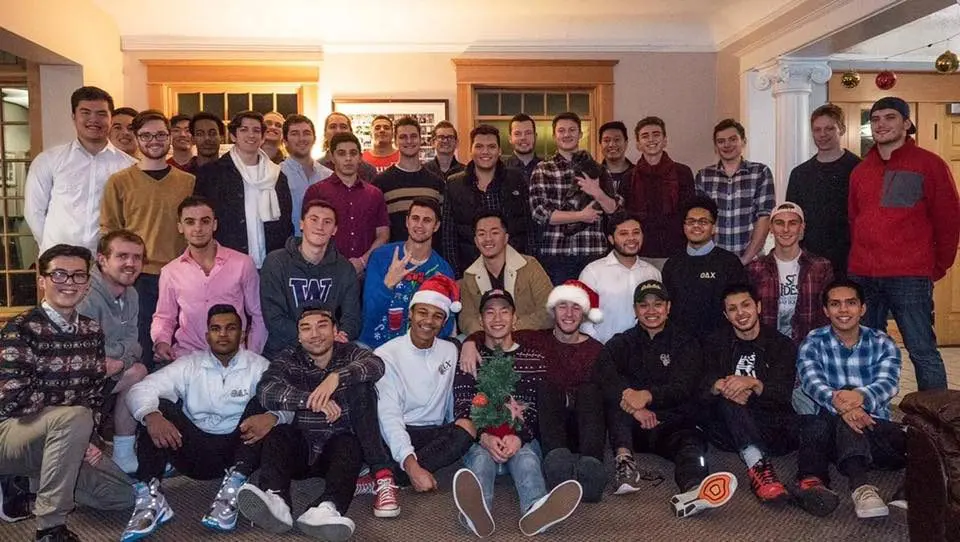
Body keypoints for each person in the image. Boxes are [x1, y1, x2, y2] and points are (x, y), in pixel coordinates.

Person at [0, 244, 135, 542]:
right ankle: (50, 526)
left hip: (64, 435)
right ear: (42, 281)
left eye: (78, 276)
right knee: (73, 417)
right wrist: (76, 420)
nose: (69, 283)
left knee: (123, 495)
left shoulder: (91, 331)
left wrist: (87, 436)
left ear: (87, 284)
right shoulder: (19, 329)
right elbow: (14, 398)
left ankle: (25, 483)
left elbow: (95, 395)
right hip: (11, 434)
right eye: (59, 274)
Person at [120, 305, 285, 539]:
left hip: (238, 452)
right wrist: (151, 415)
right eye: (216, 329)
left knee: (263, 403)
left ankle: (232, 492)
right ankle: (152, 496)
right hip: (193, 451)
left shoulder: (259, 365)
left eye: (231, 328)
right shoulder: (189, 364)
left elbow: (286, 401)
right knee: (155, 408)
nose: (223, 334)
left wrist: (272, 417)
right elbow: (140, 388)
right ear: (207, 335)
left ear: (242, 334)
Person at [237, 305, 396, 538]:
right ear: (299, 336)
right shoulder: (289, 358)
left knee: (350, 443)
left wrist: (336, 378)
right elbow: (266, 391)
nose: (315, 334)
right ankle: (276, 500)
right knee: (278, 434)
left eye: (322, 326)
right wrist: (311, 400)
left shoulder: (350, 352)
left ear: (335, 330)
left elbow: (376, 365)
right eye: (306, 328)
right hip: (301, 446)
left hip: (336, 451)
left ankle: (326, 508)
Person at [594, 279, 738, 518]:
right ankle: (624, 463)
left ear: (668, 307)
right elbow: (602, 371)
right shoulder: (623, 341)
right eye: (644, 305)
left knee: (692, 444)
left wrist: (647, 396)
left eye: (658, 304)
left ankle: (695, 490)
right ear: (635, 309)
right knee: (616, 399)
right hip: (633, 427)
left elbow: (683, 386)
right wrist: (632, 403)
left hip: (672, 425)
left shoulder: (686, 342)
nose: (651, 311)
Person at [848, 96, 960, 391]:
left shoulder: (929, 165)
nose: (881, 124)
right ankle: (872, 414)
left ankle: (936, 424)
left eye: (890, 117)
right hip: (864, 276)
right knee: (867, 351)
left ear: (907, 123)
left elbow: (949, 222)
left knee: (922, 350)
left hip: (909, 275)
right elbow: (854, 220)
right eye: (875, 119)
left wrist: (936, 267)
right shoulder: (860, 171)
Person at [452, 290, 583, 538]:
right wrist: (483, 437)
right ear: (480, 321)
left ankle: (536, 508)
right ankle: (476, 513)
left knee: (528, 461)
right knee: (479, 461)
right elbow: (462, 405)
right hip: (480, 440)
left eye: (504, 311)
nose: (497, 318)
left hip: (521, 439)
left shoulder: (534, 359)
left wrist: (519, 438)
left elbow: (537, 410)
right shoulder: (470, 358)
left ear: (515, 319)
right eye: (490, 312)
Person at [793, 279, 906, 519]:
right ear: (825, 311)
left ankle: (910, 489)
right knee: (842, 413)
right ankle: (860, 486)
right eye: (835, 304)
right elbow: (811, 382)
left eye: (850, 303)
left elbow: (888, 384)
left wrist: (858, 397)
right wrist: (842, 406)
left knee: (923, 438)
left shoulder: (883, 343)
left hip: (875, 428)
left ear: (863, 308)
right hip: (833, 435)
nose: (843, 310)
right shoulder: (813, 341)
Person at [100, 109, 196, 370]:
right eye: (146, 135)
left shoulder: (189, 182)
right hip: (139, 277)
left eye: (161, 134)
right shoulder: (119, 182)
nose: (155, 140)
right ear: (136, 137)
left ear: (170, 137)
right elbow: (110, 231)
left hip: (181, 274)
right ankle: (141, 403)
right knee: (141, 341)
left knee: (179, 341)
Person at [375, 275, 475, 492]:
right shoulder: (385, 355)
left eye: (438, 316)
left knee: (467, 426)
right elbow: (389, 418)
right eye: (422, 312)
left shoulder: (451, 349)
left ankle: (388, 476)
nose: (429, 321)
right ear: (410, 314)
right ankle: (403, 472)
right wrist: (413, 467)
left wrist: (471, 341)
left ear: (444, 322)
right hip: (399, 430)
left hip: (436, 432)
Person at [703, 284, 798, 504]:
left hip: (771, 422)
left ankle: (810, 482)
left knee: (815, 424)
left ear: (758, 306)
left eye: (746, 305)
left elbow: (782, 395)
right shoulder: (714, 343)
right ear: (726, 316)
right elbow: (700, 386)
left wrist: (753, 384)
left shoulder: (781, 345)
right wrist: (720, 386)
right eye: (733, 309)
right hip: (728, 428)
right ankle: (759, 468)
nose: (741, 313)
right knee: (728, 403)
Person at [152, 196, 267, 360]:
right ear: (180, 227)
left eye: (205, 221)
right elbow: (164, 317)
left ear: (214, 225)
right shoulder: (170, 271)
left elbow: (259, 313)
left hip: (234, 357)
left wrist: (252, 355)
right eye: (190, 222)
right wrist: (161, 342)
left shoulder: (243, 263)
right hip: (187, 357)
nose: (198, 228)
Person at [25, 86, 136, 253]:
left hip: (108, 261)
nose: (94, 120)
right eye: (85, 113)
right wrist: (52, 249)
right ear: (73, 117)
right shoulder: (48, 160)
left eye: (101, 114)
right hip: (60, 260)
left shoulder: (129, 166)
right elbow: (34, 212)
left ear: (110, 119)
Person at [77, 230, 151, 474]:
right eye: (122, 256)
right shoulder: (85, 295)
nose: (131, 264)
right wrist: (121, 356)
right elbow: (85, 351)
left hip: (109, 370)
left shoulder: (131, 294)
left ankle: (123, 451)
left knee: (138, 371)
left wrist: (118, 359)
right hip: (73, 380)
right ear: (102, 259)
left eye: (137, 257)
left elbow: (135, 344)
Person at [531, 283, 608, 502]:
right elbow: (499, 335)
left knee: (590, 391)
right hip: (550, 432)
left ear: (583, 314)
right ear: (553, 311)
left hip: (584, 431)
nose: (568, 313)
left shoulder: (596, 350)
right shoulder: (536, 339)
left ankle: (592, 467)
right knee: (547, 386)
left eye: (575, 307)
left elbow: (612, 390)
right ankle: (556, 465)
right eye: (562, 306)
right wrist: (471, 341)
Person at [260, 199, 361, 357]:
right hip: (284, 352)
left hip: (329, 351)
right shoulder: (276, 262)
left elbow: (352, 317)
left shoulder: (344, 267)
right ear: (301, 224)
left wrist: (341, 336)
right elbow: (274, 318)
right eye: (314, 219)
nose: (320, 227)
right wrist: (314, 341)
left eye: (327, 222)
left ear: (334, 230)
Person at [193, 110, 293, 269]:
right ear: (233, 136)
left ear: (262, 136)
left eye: (256, 130)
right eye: (244, 130)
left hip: (271, 262)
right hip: (226, 261)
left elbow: (285, 222)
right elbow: (202, 218)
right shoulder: (212, 173)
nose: (251, 135)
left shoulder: (277, 175)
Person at [530, 112, 621, 284]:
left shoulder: (597, 169)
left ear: (580, 134)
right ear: (554, 135)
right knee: (560, 308)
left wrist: (597, 192)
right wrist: (581, 216)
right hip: (556, 255)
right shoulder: (543, 169)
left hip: (593, 251)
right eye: (561, 130)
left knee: (594, 309)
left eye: (572, 130)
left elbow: (613, 209)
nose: (567, 134)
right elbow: (540, 214)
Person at [360, 198, 455, 348]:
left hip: (418, 351)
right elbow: (369, 313)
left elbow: (446, 324)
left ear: (436, 226)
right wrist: (388, 284)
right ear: (407, 221)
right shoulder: (381, 256)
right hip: (374, 346)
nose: (420, 225)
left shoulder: (442, 270)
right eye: (415, 218)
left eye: (427, 220)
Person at [442, 124, 531, 277]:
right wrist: (456, 275)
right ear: (471, 150)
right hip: (469, 270)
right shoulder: (454, 184)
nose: (485, 152)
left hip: (514, 268)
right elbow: (449, 236)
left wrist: (528, 266)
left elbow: (529, 228)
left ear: (499, 151)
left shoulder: (516, 180)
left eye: (491, 147)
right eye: (479, 146)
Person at [786, 104, 860, 276]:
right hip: (810, 261)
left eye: (829, 128)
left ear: (841, 129)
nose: (822, 134)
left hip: (850, 260)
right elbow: (793, 219)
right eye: (817, 129)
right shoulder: (799, 174)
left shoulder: (858, 169)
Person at [746, 202, 833, 346]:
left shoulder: (820, 267)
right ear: (771, 228)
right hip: (769, 349)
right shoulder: (755, 269)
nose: (786, 229)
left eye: (792, 223)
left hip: (810, 348)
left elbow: (827, 313)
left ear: (802, 227)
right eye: (779, 223)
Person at [662, 196, 749, 340]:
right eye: (691, 222)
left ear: (713, 228)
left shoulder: (729, 263)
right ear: (684, 226)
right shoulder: (672, 264)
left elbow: (739, 307)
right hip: (682, 347)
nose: (696, 226)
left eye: (703, 222)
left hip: (721, 346)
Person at [304, 132, 389, 276]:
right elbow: (309, 233)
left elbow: (383, 235)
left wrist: (363, 261)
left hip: (366, 272)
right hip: (326, 271)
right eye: (342, 153)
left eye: (353, 153)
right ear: (332, 157)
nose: (348, 159)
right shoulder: (317, 191)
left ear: (360, 157)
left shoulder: (374, 194)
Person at [458, 211, 552, 336]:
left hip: (528, 336)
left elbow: (548, 310)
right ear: (475, 241)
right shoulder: (470, 275)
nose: (488, 239)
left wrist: (510, 329)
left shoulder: (529, 265)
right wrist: (488, 334)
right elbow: (466, 319)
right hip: (488, 340)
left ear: (506, 238)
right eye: (481, 234)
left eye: (495, 233)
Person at [620, 116, 696, 270]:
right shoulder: (628, 177)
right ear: (638, 144)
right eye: (645, 136)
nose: (651, 140)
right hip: (640, 253)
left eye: (656, 134)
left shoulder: (683, 173)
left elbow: (689, 213)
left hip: (676, 252)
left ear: (665, 140)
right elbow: (625, 217)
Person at [695, 119, 774, 264]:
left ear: (743, 141)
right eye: (721, 141)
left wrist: (744, 260)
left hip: (752, 262)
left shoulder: (760, 173)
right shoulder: (704, 176)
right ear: (716, 146)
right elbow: (701, 222)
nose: (727, 145)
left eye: (733, 139)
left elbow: (764, 218)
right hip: (713, 263)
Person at [579, 213, 661, 343]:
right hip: (604, 350)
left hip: (645, 352)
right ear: (611, 239)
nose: (631, 238)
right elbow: (583, 318)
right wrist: (599, 348)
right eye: (623, 234)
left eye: (636, 233)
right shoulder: (593, 271)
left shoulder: (653, 273)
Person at [373, 116, 445, 243]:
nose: (409, 141)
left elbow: (442, 228)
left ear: (420, 139)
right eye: (403, 137)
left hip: (429, 257)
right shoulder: (381, 182)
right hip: (394, 258)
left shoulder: (436, 182)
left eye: (413, 136)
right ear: (395, 142)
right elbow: (377, 229)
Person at [280, 114, 334, 237]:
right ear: (284, 141)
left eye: (306, 133)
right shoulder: (276, 175)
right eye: (294, 134)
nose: (301, 138)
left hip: (324, 247)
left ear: (314, 139)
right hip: (289, 247)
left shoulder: (329, 176)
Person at [319, 112, 378, 181]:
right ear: (325, 133)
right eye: (333, 127)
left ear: (351, 132)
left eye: (343, 127)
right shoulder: (316, 168)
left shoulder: (368, 171)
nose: (338, 131)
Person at [503, 113, 542, 182]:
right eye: (517, 134)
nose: (523, 137)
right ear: (510, 138)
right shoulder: (501, 169)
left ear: (535, 136)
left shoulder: (548, 169)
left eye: (528, 133)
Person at [598, 121, 634, 194]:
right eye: (606, 140)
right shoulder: (594, 176)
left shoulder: (638, 175)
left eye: (617, 139)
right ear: (600, 145)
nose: (611, 144)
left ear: (626, 143)